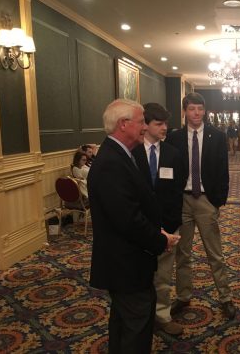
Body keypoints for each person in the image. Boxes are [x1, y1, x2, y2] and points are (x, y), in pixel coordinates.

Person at [88, 99, 180, 354]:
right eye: (141, 122)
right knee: (137, 328)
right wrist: (160, 240)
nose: (144, 127)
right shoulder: (111, 163)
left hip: (125, 261)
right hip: (125, 264)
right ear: (123, 124)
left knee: (123, 323)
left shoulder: (118, 155)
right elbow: (128, 220)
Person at [165, 92, 236, 319]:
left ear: (204, 111)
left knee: (214, 253)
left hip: (207, 201)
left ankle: (225, 298)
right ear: (185, 111)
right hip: (182, 200)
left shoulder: (216, 136)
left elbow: (223, 171)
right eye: (192, 108)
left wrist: (218, 202)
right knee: (182, 254)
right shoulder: (174, 138)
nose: (196, 113)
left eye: (200, 108)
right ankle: (183, 296)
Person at [132, 103, 184, 335]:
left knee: (163, 276)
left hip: (167, 225)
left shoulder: (173, 153)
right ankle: (142, 318)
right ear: (146, 125)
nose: (165, 128)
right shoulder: (131, 152)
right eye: (159, 124)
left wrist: (169, 225)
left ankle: (162, 316)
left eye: (166, 123)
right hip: (139, 228)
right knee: (140, 277)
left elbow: (177, 190)